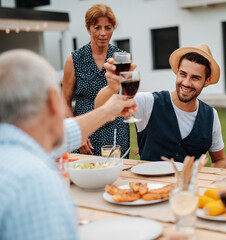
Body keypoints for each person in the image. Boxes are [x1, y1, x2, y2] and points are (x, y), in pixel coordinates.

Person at [0, 49, 137, 240]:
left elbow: (69, 131)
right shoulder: (33, 182)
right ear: (51, 101)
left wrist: (108, 110)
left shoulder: (13, 148)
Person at [95, 43, 226, 168]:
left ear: (207, 81)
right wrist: (112, 87)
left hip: (186, 190)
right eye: (183, 74)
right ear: (177, 73)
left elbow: (219, 160)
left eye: (195, 78)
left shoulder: (211, 115)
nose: (186, 83)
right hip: (148, 188)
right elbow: (100, 108)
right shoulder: (149, 102)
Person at [62, 3, 130, 156]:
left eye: (108, 27)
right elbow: (64, 102)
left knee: (116, 177)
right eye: (97, 27)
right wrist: (77, 135)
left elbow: (127, 96)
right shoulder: (74, 60)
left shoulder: (121, 58)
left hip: (115, 132)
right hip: (84, 133)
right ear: (88, 28)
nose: (103, 33)